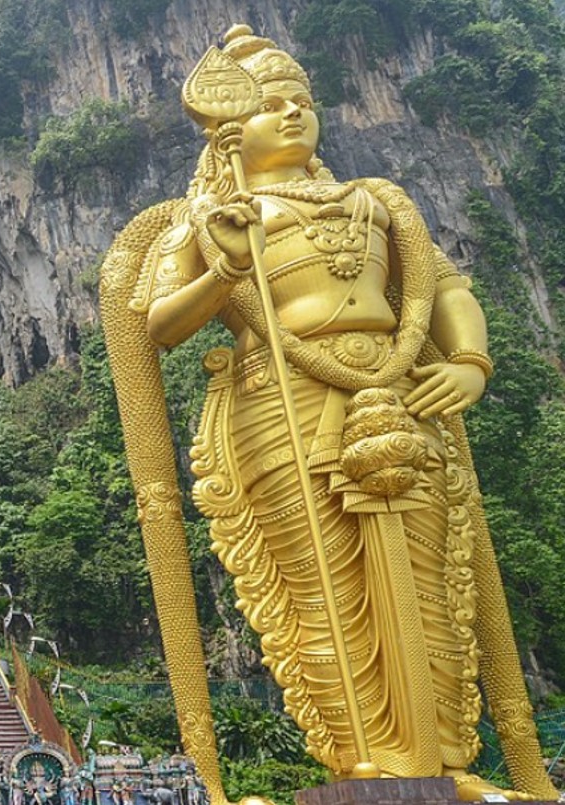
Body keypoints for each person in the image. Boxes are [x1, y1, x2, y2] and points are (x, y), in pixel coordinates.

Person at [104, 24, 553, 797]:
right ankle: (363, 761)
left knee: (431, 580)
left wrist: (471, 362)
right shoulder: (211, 214)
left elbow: (446, 291)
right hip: (280, 403)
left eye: (302, 101)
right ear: (226, 129)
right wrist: (223, 270)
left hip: (401, 393)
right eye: (270, 103)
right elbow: (158, 324)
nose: (291, 114)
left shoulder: (377, 202)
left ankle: (449, 762)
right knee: (325, 590)